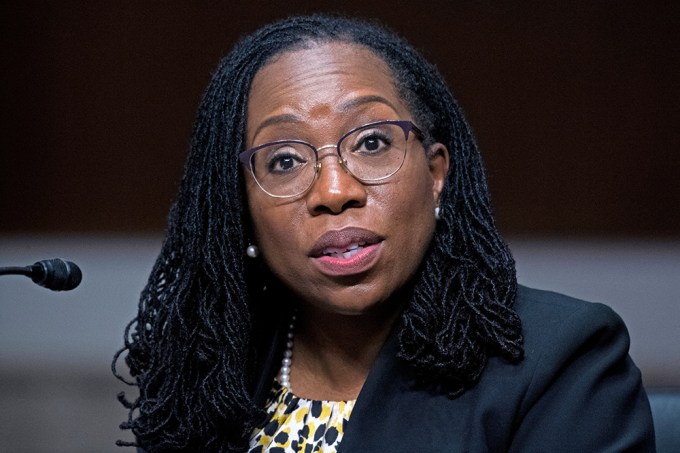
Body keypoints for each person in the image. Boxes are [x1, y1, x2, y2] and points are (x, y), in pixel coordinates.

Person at [113, 15, 655, 452]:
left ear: (437, 173)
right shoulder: (212, 371)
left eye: (371, 143)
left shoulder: (560, 360)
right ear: (241, 208)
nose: (333, 190)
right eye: (283, 159)